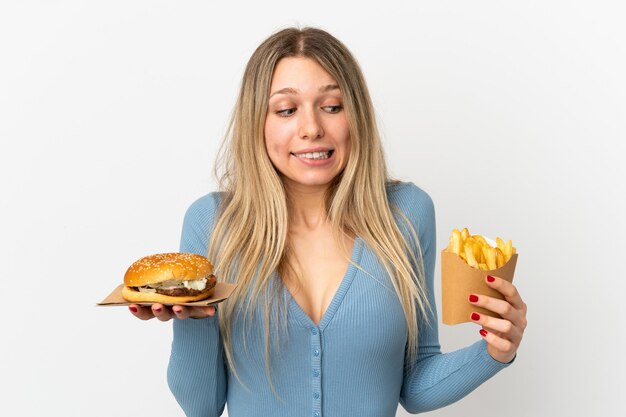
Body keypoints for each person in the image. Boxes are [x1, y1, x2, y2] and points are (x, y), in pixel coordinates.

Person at [129, 27, 527, 417]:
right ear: (258, 123)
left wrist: (494, 352)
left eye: (332, 106)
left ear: (356, 116)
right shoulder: (213, 222)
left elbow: (415, 386)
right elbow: (201, 407)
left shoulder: (406, 214)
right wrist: (189, 317)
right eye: (286, 110)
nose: (312, 128)